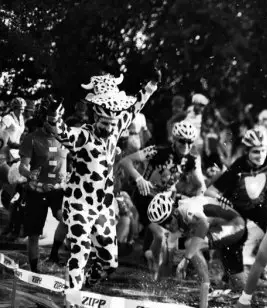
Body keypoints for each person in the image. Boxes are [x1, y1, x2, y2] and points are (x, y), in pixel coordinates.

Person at [48, 70, 160, 289]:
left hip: (103, 205)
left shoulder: (116, 128)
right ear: (95, 117)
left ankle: (86, 288)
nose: (109, 129)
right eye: (104, 124)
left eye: (112, 124)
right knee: (79, 250)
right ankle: (73, 299)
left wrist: (152, 84)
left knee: (110, 261)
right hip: (78, 203)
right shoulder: (82, 135)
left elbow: (136, 105)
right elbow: (61, 132)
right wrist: (53, 116)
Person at [119, 120, 205, 277]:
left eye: (189, 142)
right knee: (160, 235)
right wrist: (139, 179)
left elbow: (201, 185)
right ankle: (154, 273)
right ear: (174, 139)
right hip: (145, 197)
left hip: (164, 202)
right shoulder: (158, 151)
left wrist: (196, 199)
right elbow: (126, 161)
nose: (186, 145)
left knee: (166, 237)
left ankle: (151, 259)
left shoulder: (192, 160)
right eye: (182, 141)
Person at [147, 190, 247, 286]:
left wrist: (186, 260)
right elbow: (166, 262)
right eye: (163, 224)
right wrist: (158, 286)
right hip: (216, 228)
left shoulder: (189, 209)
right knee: (170, 247)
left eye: (168, 221)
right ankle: (211, 279)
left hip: (235, 224)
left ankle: (206, 289)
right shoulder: (174, 226)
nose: (167, 226)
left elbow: (204, 225)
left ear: (175, 212)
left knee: (190, 244)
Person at [18, 99, 69, 271]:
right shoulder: (31, 139)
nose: (54, 124)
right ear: (43, 119)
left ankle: (54, 254)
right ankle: (34, 270)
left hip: (58, 190)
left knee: (66, 219)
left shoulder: (66, 138)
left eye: (57, 120)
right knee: (34, 234)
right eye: (51, 120)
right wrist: (28, 173)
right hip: (36, 191)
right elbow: (22, 166)